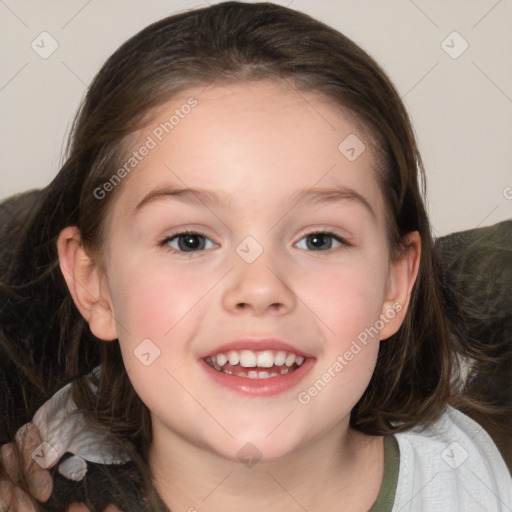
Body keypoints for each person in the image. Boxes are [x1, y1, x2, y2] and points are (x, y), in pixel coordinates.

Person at [0, 2, 510, 510]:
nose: (260, 288)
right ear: (95, 284)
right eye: (190, 240)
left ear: (395, 285)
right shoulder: (34, 484)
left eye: (319, 240)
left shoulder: (473, 483)